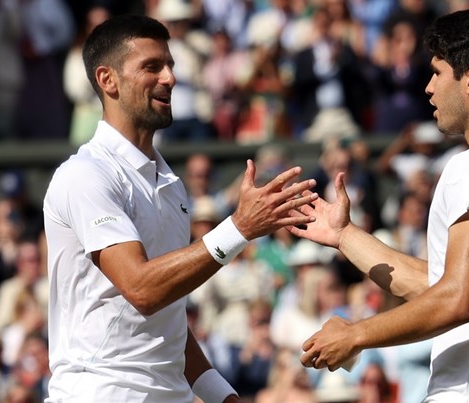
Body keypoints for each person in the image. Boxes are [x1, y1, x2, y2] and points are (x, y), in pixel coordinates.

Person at [287, 7, 469, 402]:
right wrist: (344, 236)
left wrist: (356, 334)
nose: (428, 88)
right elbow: (440, 286)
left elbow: (456, 298)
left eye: (436, 72)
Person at [42, 14, 318, 403]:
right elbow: (142, 288)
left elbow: (167, 319)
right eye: (152, 67)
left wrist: (224, 397)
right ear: (108, 80)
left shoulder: (170, 185)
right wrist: (239, 228)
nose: (170, 78)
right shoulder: (85, 176)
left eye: (169, 65)